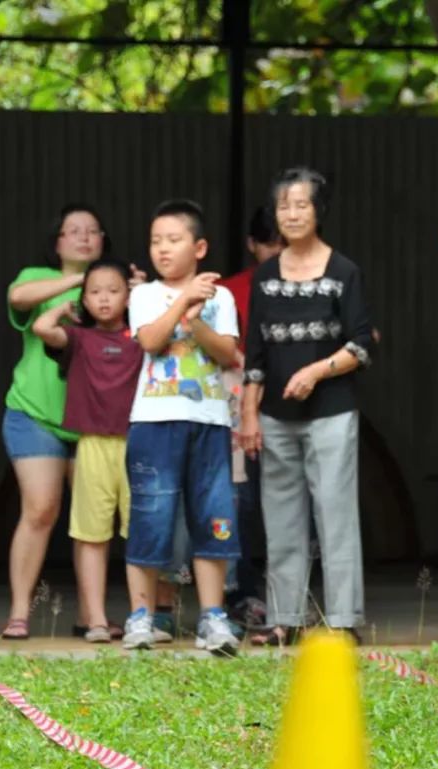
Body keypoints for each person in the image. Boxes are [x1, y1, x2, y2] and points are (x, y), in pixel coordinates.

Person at [241, 167, 374, 646]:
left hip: (333, 411)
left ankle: (341, 619)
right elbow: (254, 353)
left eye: (302, 204)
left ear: (320, 211)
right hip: (275, 416)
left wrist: (316, 371)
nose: (292, 214)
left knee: (336, 515)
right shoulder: (264, 276)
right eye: (284, 206)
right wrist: (249, 415)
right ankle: (284, 619)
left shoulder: (343, 272)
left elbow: (361, 345)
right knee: (280, 519)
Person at [122, 199, 242, 654]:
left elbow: (228, 353)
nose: (163, 249)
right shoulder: (144, 295)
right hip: (153, 422)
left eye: (173, 240)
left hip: (210, 421)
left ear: (200, 247)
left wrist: (195, 319)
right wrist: (184, 301)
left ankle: (213, 619)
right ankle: (140, 617)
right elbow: (150, 341)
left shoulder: (223, 297)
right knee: (151, 516)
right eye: (156, 241)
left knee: (214, 517)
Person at [0, 204, 107, 641]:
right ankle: (20, 612)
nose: (83, 237)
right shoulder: (35, 278)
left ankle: (91, 615)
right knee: (41, 509)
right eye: (72, 231)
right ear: (58, 242)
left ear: (103, 241)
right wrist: (79, 282)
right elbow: (16, 299)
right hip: (34, 411)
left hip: (94, 421)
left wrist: (109, 287)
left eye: (92, 231)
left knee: (91, 518)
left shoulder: (117, 288)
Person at [32, 257, 142, 642]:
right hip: (92, 443)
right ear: (84, 299)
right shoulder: (79, 338)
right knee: (91, 534)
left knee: (142, 532)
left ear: (128, 296)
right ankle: (95, 619)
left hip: (137, 444)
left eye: (114, 291)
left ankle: (141, 616)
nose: (105, 299)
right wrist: (63, 308)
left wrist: (146, 298)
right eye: (94, 292)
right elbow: (41, 327)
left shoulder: (142, 336)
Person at [218, 207, 283, 629]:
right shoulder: (229, 291)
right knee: (239, 503)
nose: (277, 252)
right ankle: (240, 593)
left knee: (289, 502)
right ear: (253, 245)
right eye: (269, 243)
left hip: (293, 405)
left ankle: (290, 597)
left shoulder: (318, 282)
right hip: (236, 405)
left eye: (284, 243)